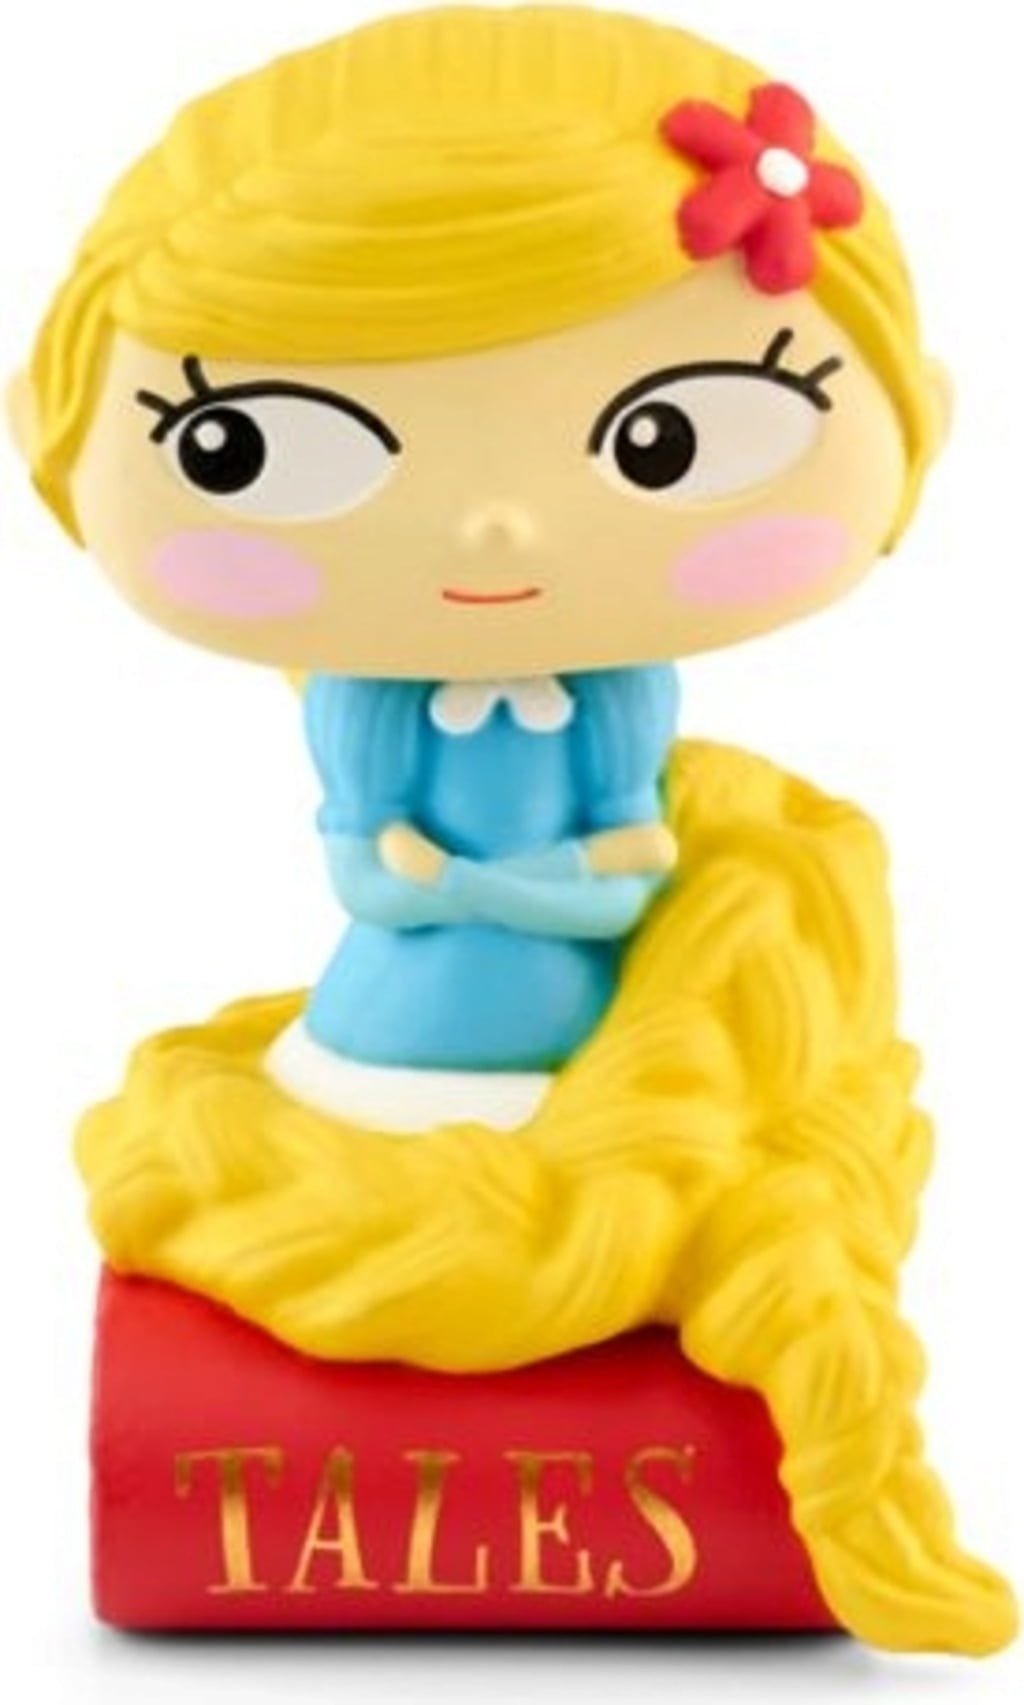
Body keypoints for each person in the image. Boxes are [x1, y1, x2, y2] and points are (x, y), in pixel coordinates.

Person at [12, 5, 1014, 1654]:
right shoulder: (371, 697)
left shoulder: (619, 695)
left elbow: (625, 862)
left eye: (670, 429)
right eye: (250, 443)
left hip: (580, 1051)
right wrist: (519, 890)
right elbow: (375, 866)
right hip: (391, 1040)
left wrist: (495, 889)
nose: (493, 527)